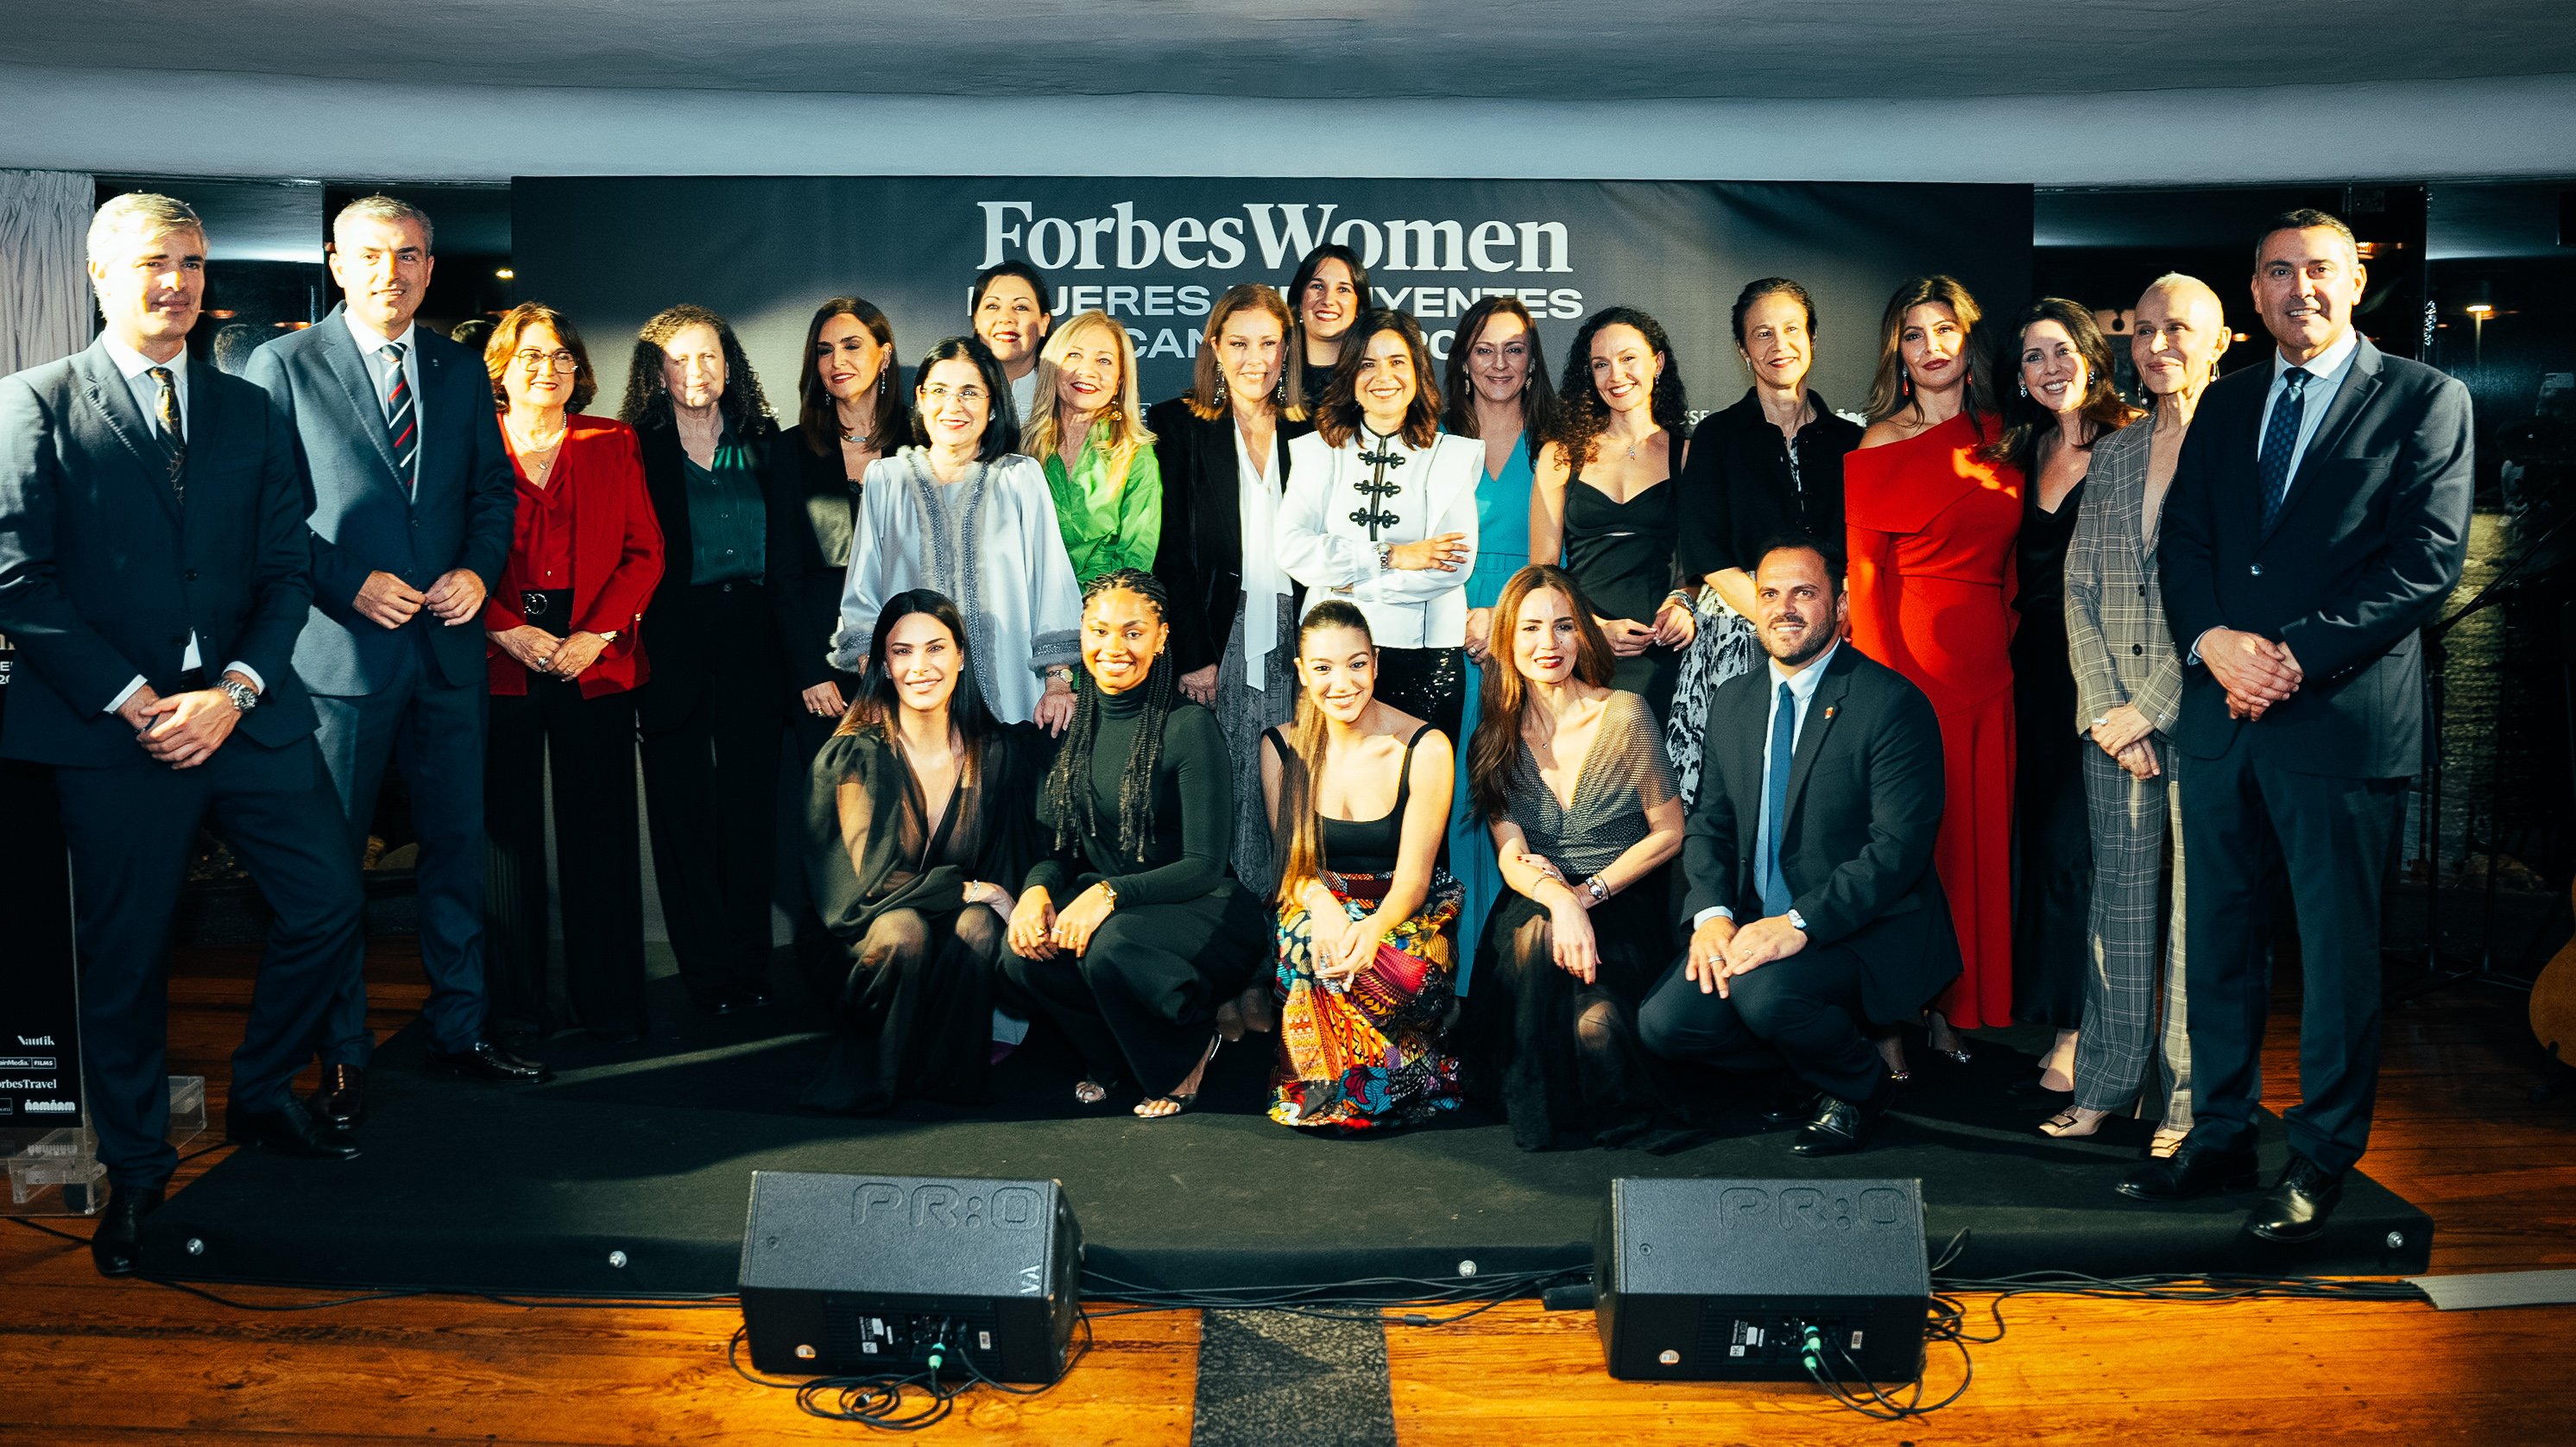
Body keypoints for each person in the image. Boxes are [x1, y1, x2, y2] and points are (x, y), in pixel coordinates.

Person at [0, 194, 364, 1275]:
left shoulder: (248, 408)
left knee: (330, 904)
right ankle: (137, 1172)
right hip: (114, 734)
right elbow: (17, 577)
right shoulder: (34, 403)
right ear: (100, 272)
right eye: (157, 263)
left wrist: (237, 687)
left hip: (246, 716)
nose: (180, 283)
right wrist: (137, 700)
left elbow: (285, 569)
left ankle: (258, 1093)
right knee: (125, 959)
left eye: (195, 264)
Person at [2128, 211, 2472, 1243]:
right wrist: (2214, 646)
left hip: (2338, 723)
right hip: (2221, 720)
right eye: (2278, 273)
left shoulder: (2424, 397)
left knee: (2334, 956)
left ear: (2353, 280)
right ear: (2254, 289)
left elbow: (2423, 561)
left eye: (2317, 270)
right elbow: (2181, 545)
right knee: (2218, 943)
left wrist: (2289, 655)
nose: (2298, 289)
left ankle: (2319, 1156)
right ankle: (2219, 1132)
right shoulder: (2226, 405)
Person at [244, 194, 544, 1129]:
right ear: (337, 263)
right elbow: (264, 509)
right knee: (331, 873)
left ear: (427, 267)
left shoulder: (458, 371)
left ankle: (459, 1028)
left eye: (410, 254)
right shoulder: (282, 364)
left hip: (447, 658)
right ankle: (341, 1055)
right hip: (338, 661)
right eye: (372, 254)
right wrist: (346, 581)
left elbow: (490, 496)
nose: (393, 271)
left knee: (457, 853)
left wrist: (473, 569)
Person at [1638, 540, 1960, 1154]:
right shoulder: (1734, 701)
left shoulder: (1892, 704)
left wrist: (1797, 923)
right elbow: (1710, 823)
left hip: (1866, 926)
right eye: (1769, 594)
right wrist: (1711, 916)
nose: (1784, 608)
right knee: (1666, 1025)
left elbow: (1899, 848)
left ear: (1840, 606)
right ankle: (1805, 1072)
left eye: (1803, 593)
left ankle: (1864, 1087)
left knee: (1766, 994)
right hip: (1760, 921)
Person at [2054, 275, 2230, 1152]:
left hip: (2198, 720)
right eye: (2146, 330)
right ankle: (2104, 1085)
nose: (2159, 344)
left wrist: (2149, 708)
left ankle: (2187, 1103)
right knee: (2114, 914)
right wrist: (2101, 708)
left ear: (2220, 340)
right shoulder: (2116, 451)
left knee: (2198, 920)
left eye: (2179, 330)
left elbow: (2236, 600)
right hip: (2110, 728)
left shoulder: (2242, 445)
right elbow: (2077, 581)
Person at [1002, 569, 1270, 1117]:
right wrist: (1033, 893)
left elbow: (1203, 863)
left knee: (1111, 944)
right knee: (1024, 955)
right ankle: (1112, 1057)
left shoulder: (1188, 725)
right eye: (1099, 631)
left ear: (1162, 637)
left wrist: (1108, 895)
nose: (1113, 647)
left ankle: (1188, 1051)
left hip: (1203, 908)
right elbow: (1059, 850)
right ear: (1081, 633)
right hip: (1121, 905)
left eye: (1132, 631)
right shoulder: (1072, 725)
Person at [1844, 275, 2021, 1062]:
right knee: (1914, 843)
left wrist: (2006, 640)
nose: (1931, 347)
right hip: (1910, 662)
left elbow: (2017, 564)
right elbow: (1864, 573)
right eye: (1913, 335)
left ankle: (1957, 1009)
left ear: (1969, 338)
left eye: (1944, 329)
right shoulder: (1882, 440)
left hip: (1992, 667)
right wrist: (1889, 690)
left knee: (1976, 843)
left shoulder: (2007, 435)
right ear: (1898, 353)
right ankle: (1894, 1019)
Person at [477, 302, 664, 1045]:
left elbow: (645, 553)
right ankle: (514, 1009)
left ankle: (609, 1006)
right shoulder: (475, 443)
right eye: (530, 356)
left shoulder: (611, 441)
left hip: (596, 660)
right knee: (505, 842)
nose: (547, 369)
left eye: (560, 357)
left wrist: (595, 635)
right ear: (503, 367)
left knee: (601, 835)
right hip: (499, 657)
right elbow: (446, 553)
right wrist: (506, 630)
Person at [1456, 564, 1685, 1151]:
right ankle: (1537, 1114)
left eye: (1562, 627)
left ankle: (1593, 1107)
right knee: (1534, 940)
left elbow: (1669, 833)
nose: (1547, 644)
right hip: (1538, 895)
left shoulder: (1626, 714)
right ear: (1508, 640)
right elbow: (1511, 853)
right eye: (1530, 629)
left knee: (1599, 1029)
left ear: (1582, 634)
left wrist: (1586, 897)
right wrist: (1559, 898)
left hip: (1622, 891)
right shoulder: (1495, 734)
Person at [800, 590, 1045, 1114]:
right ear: (884, 666)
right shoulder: (855, 754)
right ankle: (873, 1082)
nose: (920, 667)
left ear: (961, 655)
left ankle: (945, 1084)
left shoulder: (994, 753)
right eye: (902, 652)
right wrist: (978, 890)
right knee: (905, 929)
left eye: (935, 648)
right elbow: (859, 892)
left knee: (979, 924)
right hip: (864, 935)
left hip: (945, 934)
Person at [1990, 300, 2145, 1101]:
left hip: (2105, 674)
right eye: (2031, 358)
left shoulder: (2135, 444)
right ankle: (2061, 1018)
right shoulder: (2026, 450)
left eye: (2060, 351)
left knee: (2088, 855)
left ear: (2091, 354)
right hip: (2032, 674)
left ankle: (2083, 1033)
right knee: (2048, 853)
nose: (2048, 369)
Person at [622, 303, 786, 1017]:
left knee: (749, 812)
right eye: (681, 359)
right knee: (685, 815)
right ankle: (706, 972)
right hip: (671, 643)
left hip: (754, 639)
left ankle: (749, 964)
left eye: (710, 356)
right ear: (657, 371)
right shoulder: (632, 446)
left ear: (730, 365)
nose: (698, 371)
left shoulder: (765, 439)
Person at [1260, 600, 1463, 1131]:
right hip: (1316, 898)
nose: (1341, 682)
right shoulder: (1281, 747)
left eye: (1355, 664)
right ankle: (1334, 1083)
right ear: (1301, 673)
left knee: (1390, 967)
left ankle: (1405, 1066)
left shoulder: (1425, 746)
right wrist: (1325, 907)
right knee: (1314, 946)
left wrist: (1372, 929)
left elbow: (1416, 879)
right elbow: (1291, 869)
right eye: (1322, 668)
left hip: (1404, 907)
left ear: (1375, 662)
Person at [1148, 283, 1314, 898]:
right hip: (1220, 631)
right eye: (1239, 343)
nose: (1256, 359)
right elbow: (1171, 553)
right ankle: (1230, 937)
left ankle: (1285, 938)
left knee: (1291, 783)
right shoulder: (1177, 424)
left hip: (1300, 634)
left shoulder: (1313, 427)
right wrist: (1194, 652)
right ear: (1214, 348)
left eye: (1269, 344)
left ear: (1286, 350)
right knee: (1227, 786)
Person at [1670, 279, 1862, 806]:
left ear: (1813, 339)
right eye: (1762, 334)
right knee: (1735, 798)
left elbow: (1862, 547)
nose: (1779, 345)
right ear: (1743, 350)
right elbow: (1708, 554)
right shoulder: (1717, 436)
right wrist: (1777, 616)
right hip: (1739, 626)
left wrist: (1828, 620)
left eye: (1791, 329)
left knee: (1825, 796)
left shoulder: (1853, 442)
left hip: (1837, 626)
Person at [834, 336, 1083, 733]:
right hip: (913, 693)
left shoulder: (1019, 477)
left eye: (969, 391)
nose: (954, 406)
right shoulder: (885, 479)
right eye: (939, 390)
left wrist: (1057, 680)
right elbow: (863, 592)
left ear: (993, 403)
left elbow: (1050, 583)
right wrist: (873, 684)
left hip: (1014, 690)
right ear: (920, 397)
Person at [770, 298, 905, 983]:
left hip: (912, 667)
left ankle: (905, 965)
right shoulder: (792, 450)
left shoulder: (923, 437)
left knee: (908, 817)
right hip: (825, 671)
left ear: (884, 352)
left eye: (852, 346)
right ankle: (832, 972)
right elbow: (784, 572)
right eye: (824, 350)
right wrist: (807, 669)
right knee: (832, 824)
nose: (837, 362)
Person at [1279, 309, 1481, 740]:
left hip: (1425, 657)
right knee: (1337, 793)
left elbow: (1453, 566)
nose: (1382, 376)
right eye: (1367, 364)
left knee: (1419, 790)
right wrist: (1394, 556)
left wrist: (1352, 583)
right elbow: (1293, 550)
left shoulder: (1452, 456)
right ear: (1350, 375)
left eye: (1397, 361)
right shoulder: (1317, 452)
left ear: (1418, 371)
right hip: (1332, 655)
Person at [1441, 296, 1556, 983]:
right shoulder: (1434, 442)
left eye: (1514, 349)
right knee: (1455, 803)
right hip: (1444, 641)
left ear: (1532, 361)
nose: (1499, 363)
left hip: (1526, 642)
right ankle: (1454, 983)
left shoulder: (1553, 447)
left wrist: (1501, 621)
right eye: (1484, 349)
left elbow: (1548, 559)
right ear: (1463, 360)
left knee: (1517, 799)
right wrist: (1459, 613)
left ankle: (1511, 977)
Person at [1531, 306, 1697, 724]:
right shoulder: (1560, 454)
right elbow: (1543, 569)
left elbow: (1699, 560)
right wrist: (1589, 630)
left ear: (1657, 363)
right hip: (1580, 648)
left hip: (1662, 649)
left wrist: (1683, 605)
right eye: (1601, 364)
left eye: (1628, 359)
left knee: (1655, 782)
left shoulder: (1688, 455)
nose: (1616, 375)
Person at [1025, 309, 1161, 582]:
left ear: (1120, 380)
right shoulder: (1019, 448)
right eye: (1074, 355)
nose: (1088, 371)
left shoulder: (1136, 455)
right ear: (1052, 366)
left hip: (1100, 613)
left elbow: (1135, 563)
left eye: (1104, 361)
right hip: (1025, 610)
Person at [970, 260, 1053, 425]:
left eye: (1021, 307)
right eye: (993, 306)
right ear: (976, 321)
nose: (1006, 318)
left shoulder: (1064, 399)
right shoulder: (950, 397)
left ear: (1044, 324)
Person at [1289, 243, 1367, 414]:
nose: (1328, 300)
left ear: (1358, 304)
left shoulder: (1371, 377)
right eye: (1317, 286)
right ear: (1299, 298)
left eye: (1343, 289)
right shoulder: (1273, 374)